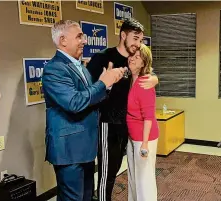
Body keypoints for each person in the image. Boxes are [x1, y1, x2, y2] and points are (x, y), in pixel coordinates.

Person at [42, 19, 126, 201]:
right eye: (79, 36)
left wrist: (107, 86)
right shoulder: (54, 69)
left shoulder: (81, 67)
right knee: (73, 198)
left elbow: (92, 97)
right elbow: (74, 102)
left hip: (86, 147)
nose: (85, 40)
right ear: (63, 40)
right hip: (69, 151)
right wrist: (103, 83)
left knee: (86, 196)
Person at [87, 18, 158, 201]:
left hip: (126, 126)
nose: (137, 45)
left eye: (141, 40)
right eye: (135, 38)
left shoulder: (131, 61)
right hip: (107, 124)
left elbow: (145, 71)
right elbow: (87, 91)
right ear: (123, 35)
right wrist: (105, 85)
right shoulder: (103, 57)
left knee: (119, 168)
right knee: (107, 173)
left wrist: (155, 78)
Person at [126, 44, 159, 201]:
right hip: (133, 138)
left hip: (144, 138)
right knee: (134, 177)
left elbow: (148, 116)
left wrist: (145, 143)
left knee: (144, 180)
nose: (132, 58)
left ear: (143, 63)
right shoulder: (130, 80)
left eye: (137, 57)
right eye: (131, 55)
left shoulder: (144, 83)